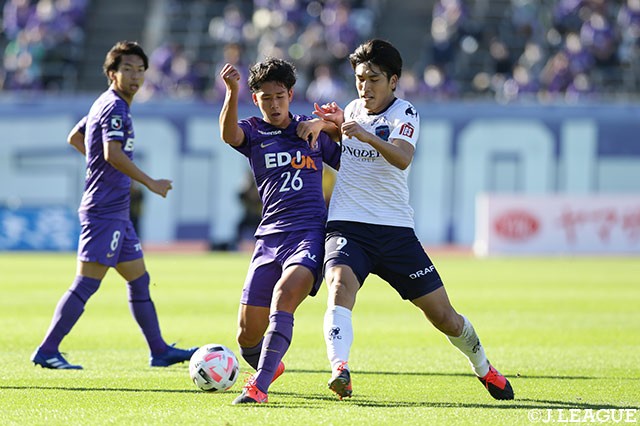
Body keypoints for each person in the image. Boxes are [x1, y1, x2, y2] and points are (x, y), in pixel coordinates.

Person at [313, 39, 514, 401]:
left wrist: (364, 134)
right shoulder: (352, 109)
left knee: (444, 317)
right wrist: (333, 127)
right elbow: (350, 156)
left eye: (373, 79)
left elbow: (402, 158)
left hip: (395, 232)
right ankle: (339, 370)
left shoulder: (404, 114)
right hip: (348, 225)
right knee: (339, 287)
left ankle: (484, 367)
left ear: (393, 81)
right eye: (360, 79)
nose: (365, 87)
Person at [30, 41, 198, 370]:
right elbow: (112, 153)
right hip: (104, 210)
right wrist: (149, 182)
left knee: (139, 279)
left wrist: (101, 166)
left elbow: (75, 137)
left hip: (116, 211)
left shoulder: (104, 103)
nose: (135, 76)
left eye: (140, 70)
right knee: (87, 282)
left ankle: (159, 351)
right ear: (112, 73)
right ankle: (47, 350)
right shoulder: (115, 107)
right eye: (127, 69)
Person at [218, 58, 341, 404]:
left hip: (309, 234)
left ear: (291, 95)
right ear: (256, 99)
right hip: (269, 239)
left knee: (285, 295)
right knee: (247, 336)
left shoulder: (310, 131)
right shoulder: (254, 131)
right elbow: (229, 135)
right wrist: (231, 91)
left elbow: (352, 159)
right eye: (266, 98)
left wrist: (327, 124)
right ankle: (270, 365)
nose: (273, 105)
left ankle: (259, 387)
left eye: (279, 97)